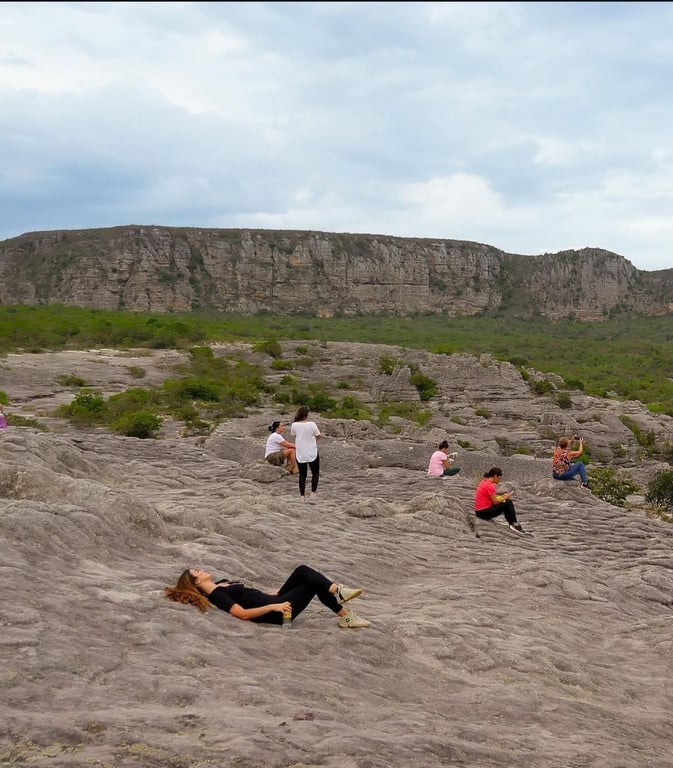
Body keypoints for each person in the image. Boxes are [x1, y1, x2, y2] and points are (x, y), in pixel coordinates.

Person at [164, 563, 370, 629]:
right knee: (308, 581)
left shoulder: (220, 584)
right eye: (196, 573)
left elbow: (250, 596)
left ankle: (343, 606)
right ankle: (342, 603)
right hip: (276, 611)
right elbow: (242, 613)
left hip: (273, 599)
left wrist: (273, 596)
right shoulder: (218, 594)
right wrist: (274, 607)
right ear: (197, 582)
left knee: (303, 573)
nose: (200, 570)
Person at [474, 467, 529, 535]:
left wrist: (503, 497)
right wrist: (505, 497)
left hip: (479, 511)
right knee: (508, 502)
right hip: (483, 513)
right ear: (495, 476)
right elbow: (495, 501)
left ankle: (512, 524)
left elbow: (492, 498)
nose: (499, 480)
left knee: (505, 502)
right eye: (499, 478)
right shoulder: (490, 486)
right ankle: (514, 524)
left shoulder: (484, 481)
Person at [291, 405, 321, 500]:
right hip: (312, 451)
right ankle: (313, 493)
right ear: (306, 415)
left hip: (300, 453)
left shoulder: (294, 425)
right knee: (315, 473)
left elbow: (294, 434)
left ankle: (302, 496)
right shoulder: (312, 424)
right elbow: (318, 435)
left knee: (302, 475)